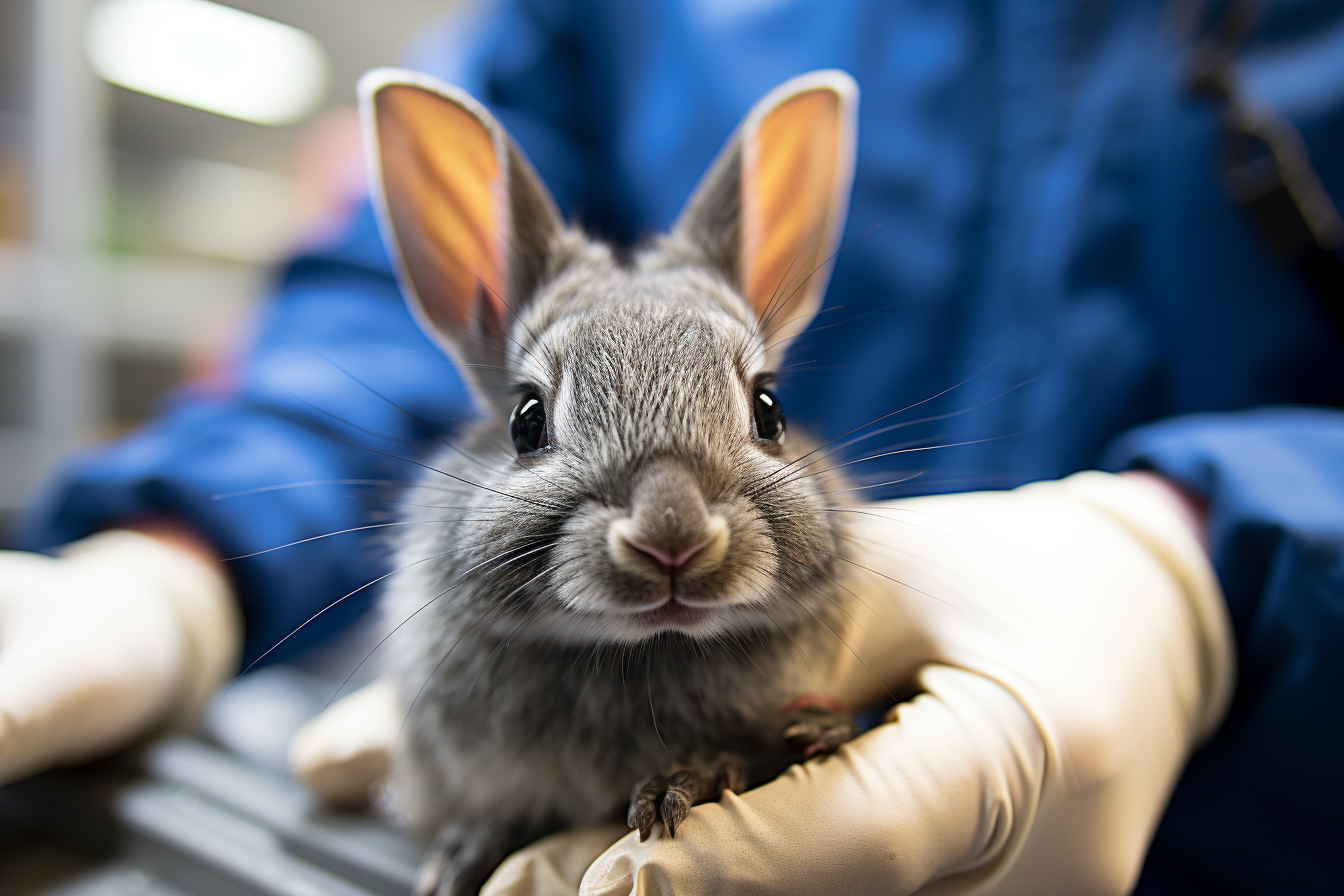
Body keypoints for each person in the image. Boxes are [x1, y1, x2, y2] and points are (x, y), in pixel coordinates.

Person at [2, 0, 1341, 893]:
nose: (669, 524)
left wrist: (1198, 571)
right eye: (537, 424)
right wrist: (180, 548)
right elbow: (357, 320)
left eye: (754, 419)